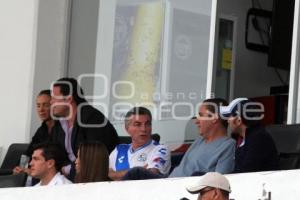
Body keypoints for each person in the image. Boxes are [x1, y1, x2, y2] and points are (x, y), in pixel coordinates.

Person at [50, 77, 119, 180]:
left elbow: (93, 157)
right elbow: (54, 152)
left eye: (54, 98)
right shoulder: (59, 124)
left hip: (94, 177)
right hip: (68, 176)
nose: (51, 102)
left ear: (69, 99)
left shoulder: (92, 118)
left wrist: (68, 170)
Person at [169, 98, 235, 177]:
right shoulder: (199, 140)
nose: (196, 121)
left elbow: (220, 182)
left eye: (201, 115)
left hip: (185, 188)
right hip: (165, 184)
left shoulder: (228, 145)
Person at [108, 107, 171, 181]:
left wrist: (116, 174)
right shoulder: (119, 150)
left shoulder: (161, 149)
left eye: (147, 124)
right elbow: (106, 174)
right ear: (127, 129)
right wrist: (137, 171)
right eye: (138, 124)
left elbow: (149, 176)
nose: (144, 129)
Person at [220, 98, 279, 173]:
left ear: (238, 120)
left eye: (229, 116)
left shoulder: (258, 138)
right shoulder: (241, 138)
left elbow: (246, 170)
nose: (227, 120)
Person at [13, 90, 54, 175]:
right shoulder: (41, 130)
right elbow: (28, 152)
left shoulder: (63, 129)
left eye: (45, 105)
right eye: (38, 106)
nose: (41, 110)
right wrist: (20, 168)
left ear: (54, 106)